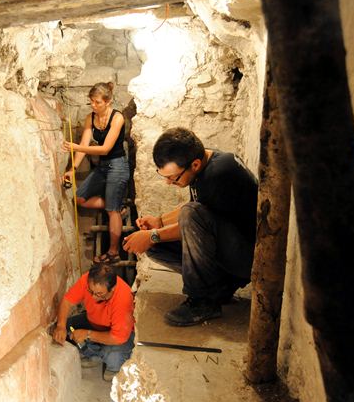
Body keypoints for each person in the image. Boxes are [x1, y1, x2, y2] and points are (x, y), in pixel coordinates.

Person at [123, 127, 258, 327]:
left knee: (179, 222)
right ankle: (220, 289)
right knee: (157, 247)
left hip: (248, 259)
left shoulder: (219, 174)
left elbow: (193, 217)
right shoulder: (204, 162)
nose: (169, 183)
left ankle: (203, 301)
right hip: (229, 249)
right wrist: (159, 222)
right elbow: (199, 207)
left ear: (194, 164)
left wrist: (152, 235)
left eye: (173, 177)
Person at [62, 82, 129, 264]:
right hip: (103, 166)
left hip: (117, 165)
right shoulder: (90, 118)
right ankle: (115, 206)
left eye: (97, 102)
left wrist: (75, 146)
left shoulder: (117, 118)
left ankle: (113, 252)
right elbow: (84, 147)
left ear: (107, 101)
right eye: (91, 101)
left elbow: (106, 149)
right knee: (80, 198)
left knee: (111, 211)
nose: (93, 105)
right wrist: (72, 169)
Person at [52, 264, 135, 381]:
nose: (93, 298)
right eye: (91, 291)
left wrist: (87, 334)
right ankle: (95, 353)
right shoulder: (87, 280)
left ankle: (103, 355)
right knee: (66, 326)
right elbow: (67, 301)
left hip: (121, 334)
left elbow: (118, 338)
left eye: (99, 294)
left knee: (113, 359)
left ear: (112, 289)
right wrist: (60, 326)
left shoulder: (123, 298)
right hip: (93, 322)